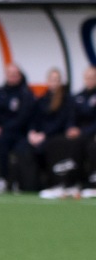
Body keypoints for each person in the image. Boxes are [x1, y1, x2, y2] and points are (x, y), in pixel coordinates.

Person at [39, 65, 96, 199]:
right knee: (56, 143)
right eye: (88, 78)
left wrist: (82, 131)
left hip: (91, 134)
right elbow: (72, 117)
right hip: (79, 135)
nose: (90, 80)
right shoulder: (78, 97)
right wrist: (71, 128)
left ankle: (91, 184)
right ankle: (62, 183)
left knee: (89, 146)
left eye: (93, 78)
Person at [12, 67, 70, 192]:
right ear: (47, 81)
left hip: (54, 136)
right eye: (51, 79)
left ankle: (49, 182)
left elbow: (61, 122)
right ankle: (27, 184)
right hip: (39, 136)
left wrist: (44, 134)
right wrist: (32, 132)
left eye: (56, 80)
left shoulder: (66, 100)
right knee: (22, 147)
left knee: (46, 147)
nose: (54, 82)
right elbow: (34, 119)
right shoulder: (42, 99)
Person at [0, 63, 35, 194]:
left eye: (15, 75)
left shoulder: (25, 94)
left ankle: (18, 182)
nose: (12, 77)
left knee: (21, 149)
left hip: (21, 132)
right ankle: (3, 179)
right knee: (0, 144)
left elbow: (23, 118)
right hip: (2, 133)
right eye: (9, 74)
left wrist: (2, 129)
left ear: (19, 76)